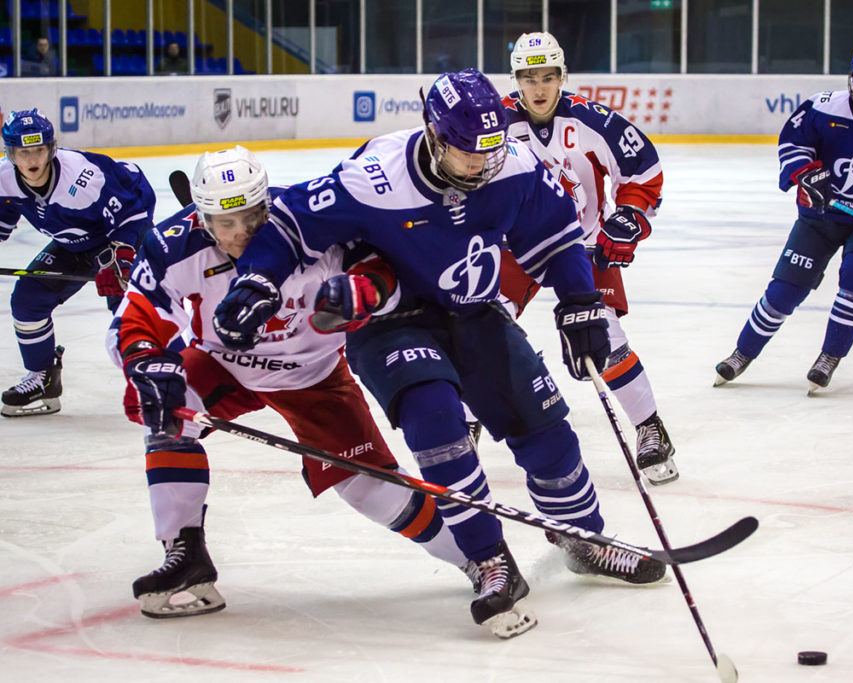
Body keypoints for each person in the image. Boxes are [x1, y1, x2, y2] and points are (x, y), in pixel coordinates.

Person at [211, 69, 666, 638]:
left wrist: (580, 302)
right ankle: (488, 559)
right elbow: (289, 222)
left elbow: (557, 237)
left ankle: (583, 536)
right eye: (467, 152)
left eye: (491, 148)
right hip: (391, 319)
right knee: (437, 423)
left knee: (544, 424)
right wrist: (258, 279)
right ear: (432, 133)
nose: (482, 163)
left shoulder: (514, 166)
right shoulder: (375, 173)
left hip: (475, 311)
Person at [110, 146, 468, 619]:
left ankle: (474, 557)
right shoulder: (172, 246)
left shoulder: (307, 224)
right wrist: (144, 360)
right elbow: (132, 321)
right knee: (164, 410)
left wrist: (362, 291)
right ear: (202, 217)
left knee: (369, 490)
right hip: (223, 363)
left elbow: (380, 268)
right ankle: (186, 556)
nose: (240, 234)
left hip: (312, 375)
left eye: (252, 218)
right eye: (225, 223)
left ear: (265, 204)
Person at [497, 32, 677, 485]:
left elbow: (644, 170)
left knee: (605, 338)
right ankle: (467, 419)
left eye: (548, 77)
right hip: (517, 245)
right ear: (516, 79)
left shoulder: (594, 121)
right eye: (528, 77)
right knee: (481, 322)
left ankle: (650, 427)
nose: (538, 88)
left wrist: (631, 216)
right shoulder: (494, 121)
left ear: (562, 76)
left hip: (583, 243)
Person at [713, 45, 853, 393]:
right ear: (852, 79)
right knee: (784, 291)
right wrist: (803, 173)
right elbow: (793, 142)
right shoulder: (822, 107)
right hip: (820, 216)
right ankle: (742, 353)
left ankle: (829, 357)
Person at [0, 109, 155, 416]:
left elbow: (133, 211)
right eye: (23, 152)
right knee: (28, 298)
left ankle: (156, 381)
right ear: (11, 153)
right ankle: (43, 380)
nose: (32, 161)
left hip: (119, 238)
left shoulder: (83, 175)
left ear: (51, 149)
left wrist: (121, 257)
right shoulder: (4, 179)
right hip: (72, 246)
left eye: (39, 150)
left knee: (128, 310)